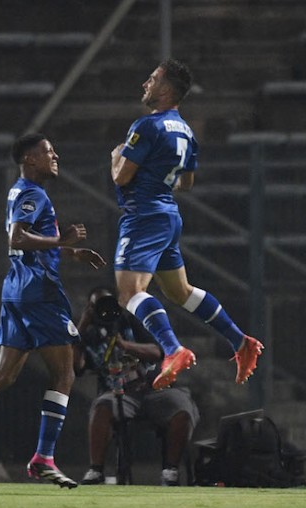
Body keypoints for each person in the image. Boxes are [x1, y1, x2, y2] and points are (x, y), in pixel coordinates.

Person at [0, 133, 106, 489]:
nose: (55, 155)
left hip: (16, 290)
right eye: (48, 151)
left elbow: (27, 241)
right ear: (30, 159)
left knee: (5, 373)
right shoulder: (33, 194)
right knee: (65, 373)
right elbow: (18, 238)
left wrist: (69, 253)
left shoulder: (19, 191)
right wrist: (61, 240)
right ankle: (43, 457)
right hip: (40, 293)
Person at [110, 58, 263, 390]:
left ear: (166, 89)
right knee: (179, 291)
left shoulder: (146, 126)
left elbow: (121, 177)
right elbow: (187, 183)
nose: (145, 84)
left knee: (130, 293)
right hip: (168, 215)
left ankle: (172, 349)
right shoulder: (187, 132)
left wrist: (116, 156)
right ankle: (240, 341)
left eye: (152, 79)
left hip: (143, 216)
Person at [75, 287, 200, 486]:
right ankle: (96, 470)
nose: (105, 310)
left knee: (182, 408)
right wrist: (81, 328)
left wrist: (125, 345)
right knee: (102, 407)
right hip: (117, 393)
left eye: (108, 303)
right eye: (98, 305)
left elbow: (157, 352)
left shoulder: (132, 320)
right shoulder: (88, 335)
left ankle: (171, 470)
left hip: (154, 388)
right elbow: (76, 367)